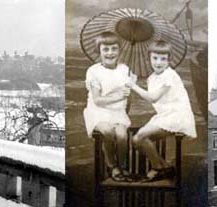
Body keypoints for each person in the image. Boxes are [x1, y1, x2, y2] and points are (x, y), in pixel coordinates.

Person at [126, 40, 197, 182]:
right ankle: (165, 167)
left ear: (169, 60)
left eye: (163, 59)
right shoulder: (152, 78)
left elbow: (153, 97)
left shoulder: (170, 75)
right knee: (136, 141)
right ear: (149, 58)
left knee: (139, 138)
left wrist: (133, 86)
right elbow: (152, 97)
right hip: (164, 115)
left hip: (177, 115)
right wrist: (131, 81)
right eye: (155, 58)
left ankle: (158, 168)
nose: (158, 62)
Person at [84, 31, 132, 182]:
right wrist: (119, 96)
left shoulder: (125, 70)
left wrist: (125, 101)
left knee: (122, 135)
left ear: (119, 50)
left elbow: (128, 99)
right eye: (105, 49)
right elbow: (98, 100)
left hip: (117, 111)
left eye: (114, 49)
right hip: (98, 111)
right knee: (108, 131)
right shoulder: (94, 71)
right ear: (99, 51)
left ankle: (123, 165)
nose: (110, 53)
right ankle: (112, 165)